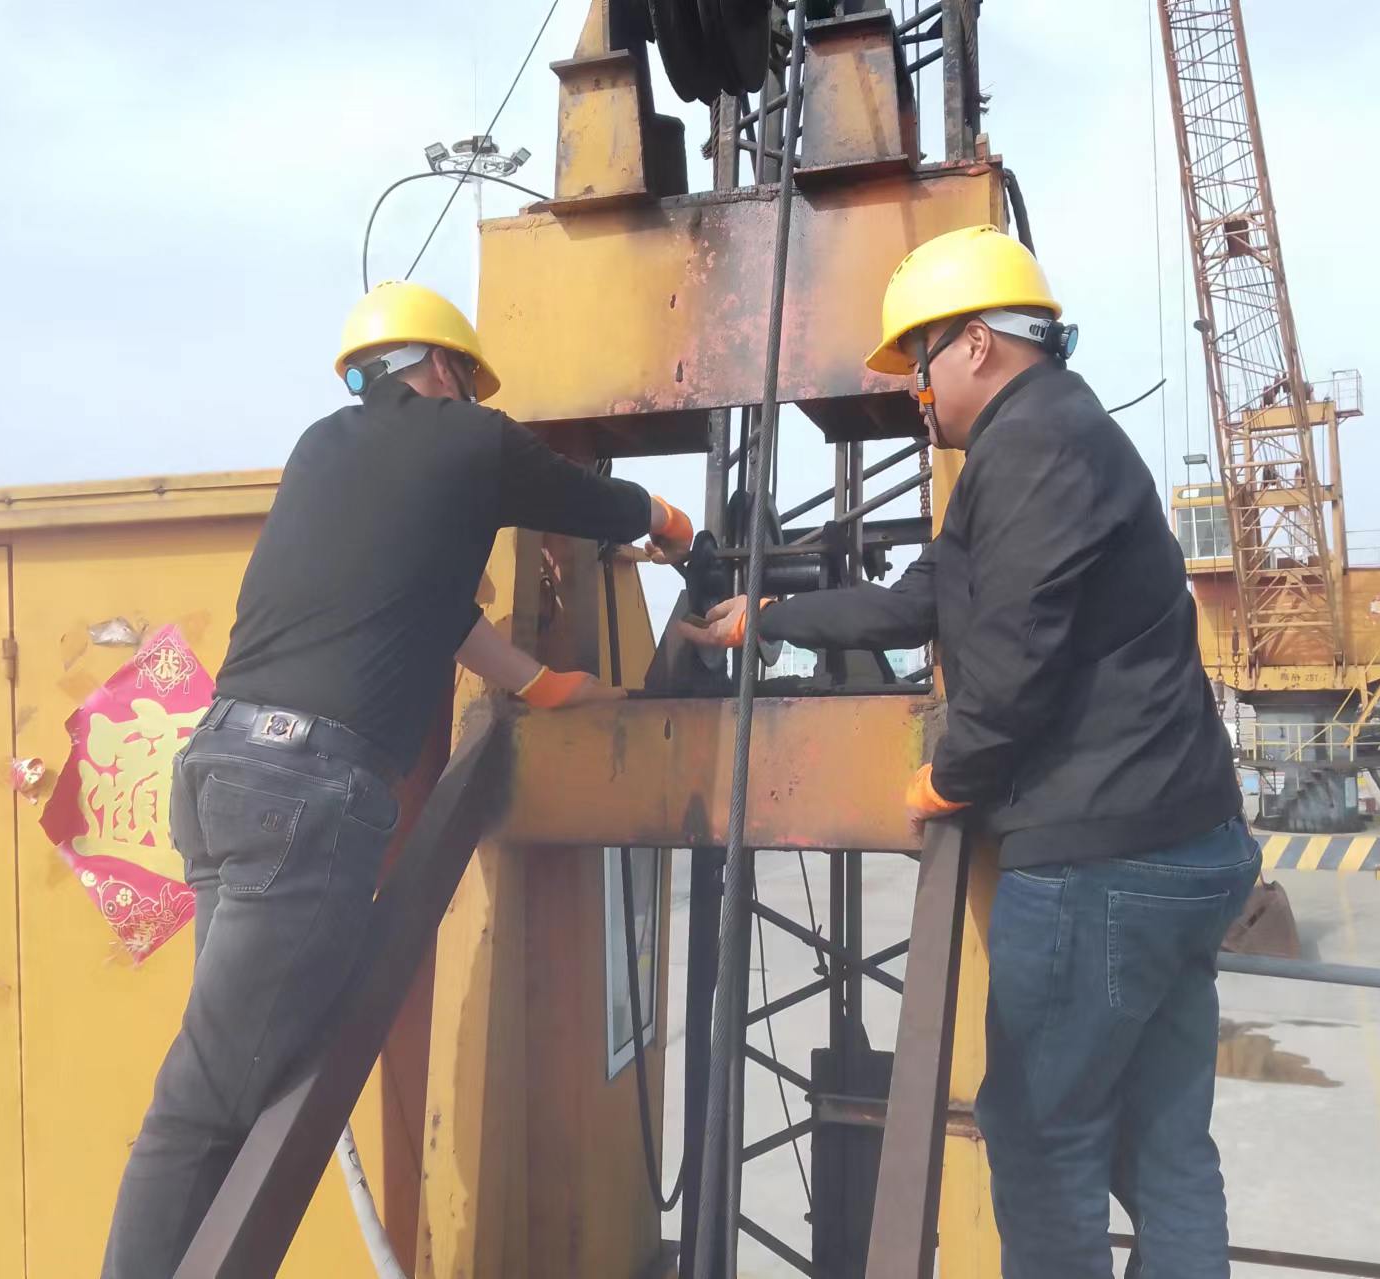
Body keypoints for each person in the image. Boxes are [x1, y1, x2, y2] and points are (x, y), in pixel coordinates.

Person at [681, 225, 1256, 1279]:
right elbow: (921, 601)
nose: (914, 391)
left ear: (978, 343)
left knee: (1043, 1146)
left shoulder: (1035, 444)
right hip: (1181, 845)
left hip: (1102, 863)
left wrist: (951, 775)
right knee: (1167, 1148)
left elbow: (1018, 649)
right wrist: (768, 616)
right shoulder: (1041, 441)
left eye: (919, 361)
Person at [101, 280, 692, 1277]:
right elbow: (582, 500)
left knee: (236, 1080)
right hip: (302, 796)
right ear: (446, 368)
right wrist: (667, 519)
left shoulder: (320, 450)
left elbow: (434, 611)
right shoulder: (471, 439)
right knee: (203, 1106)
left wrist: (538, 683)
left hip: (220, 772)